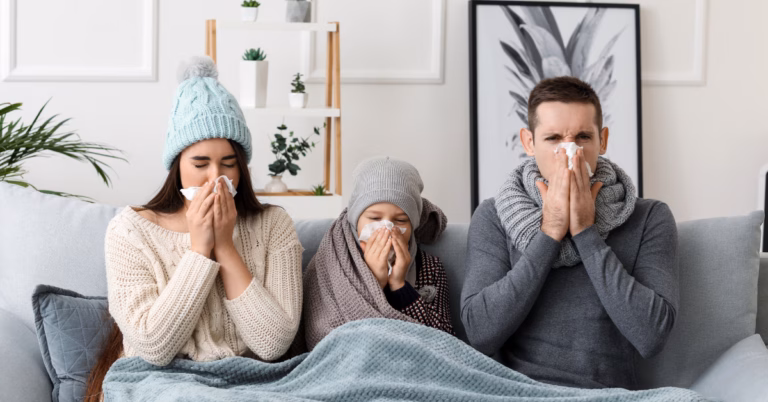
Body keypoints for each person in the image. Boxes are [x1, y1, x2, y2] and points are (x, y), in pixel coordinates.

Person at [85, 56, 303, 401]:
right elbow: (153, 346)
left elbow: (273, 343)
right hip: (159, 382)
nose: (214, 176)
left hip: (252, 382)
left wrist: (225, 247)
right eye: (200, 163)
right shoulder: (130, 231)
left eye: (228, 164)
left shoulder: (274, 225)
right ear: (177, 166)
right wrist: (200, 249)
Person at [461, 76, 678, 390]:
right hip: (518, 394)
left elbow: (652, 336)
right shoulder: (494, 216)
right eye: (553, 139)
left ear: (602, 140)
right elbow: (479, 333)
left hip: (608, 396)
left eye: (582, 137)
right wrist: (549, 232)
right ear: (528, 142)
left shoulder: (649, 217)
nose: (570, 153)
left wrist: (586, 232)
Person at [301, 156, 453, 351]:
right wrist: (375, 283)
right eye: (374, 218)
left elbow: (445, 341)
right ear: (355, 219)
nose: (387, 228)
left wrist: (399, 286)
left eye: (400, 220)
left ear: (413, 224)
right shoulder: (333, 261)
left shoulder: (430, 268)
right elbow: (320, 337)